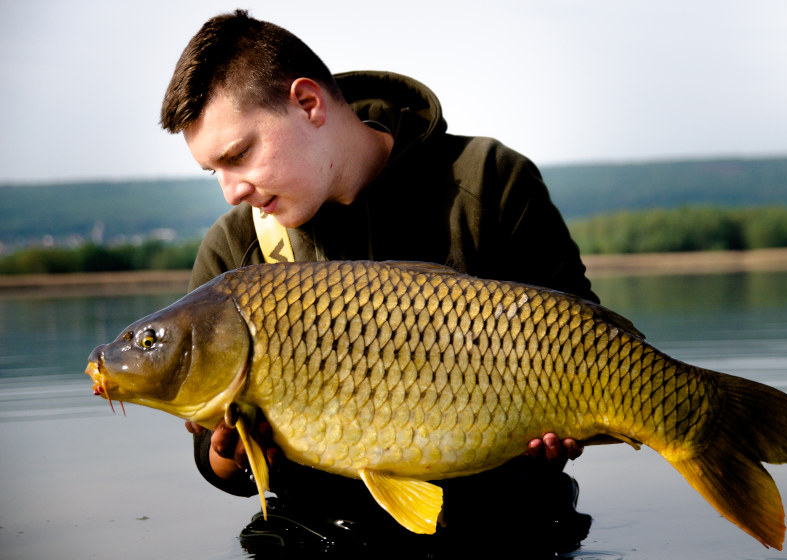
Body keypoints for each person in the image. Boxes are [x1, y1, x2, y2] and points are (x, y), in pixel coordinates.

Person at [160, 9, 596, 557]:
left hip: (506, 528)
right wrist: (234, 451)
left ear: (309, 103)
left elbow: (587, 340)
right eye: (213, 171)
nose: (231, 191)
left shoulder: (487, 180)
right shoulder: (235, 258)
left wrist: (562, 431)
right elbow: (218, 465)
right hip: (321, 536)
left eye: (239, 155)